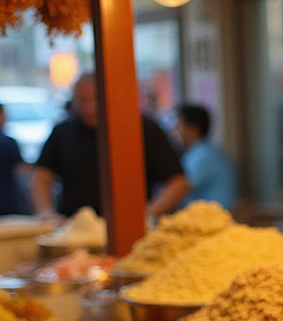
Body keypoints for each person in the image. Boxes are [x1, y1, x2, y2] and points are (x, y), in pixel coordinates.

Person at [30, 72, 185, 221]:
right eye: (83, 100)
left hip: (129, 228)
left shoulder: (143, 128)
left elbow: (178, 183)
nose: (89, 107)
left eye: (95, 99)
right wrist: (45, 212)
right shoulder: (63, 131)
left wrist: (149, 213)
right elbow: (40, 178)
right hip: (73, 228)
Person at [153, 103, 238, 213]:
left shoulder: (204, 156)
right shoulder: (206, 151)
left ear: (193, 130)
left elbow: (178, 189)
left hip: (212, 220)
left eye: (179, 125)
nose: (175, 130)